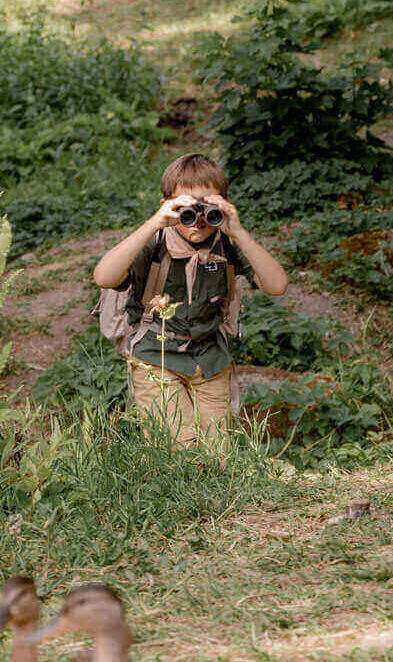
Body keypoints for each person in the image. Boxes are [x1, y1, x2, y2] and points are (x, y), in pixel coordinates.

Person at [91, 152, 289, 445]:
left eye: (207, 208)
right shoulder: (155, 245)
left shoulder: (226, 246)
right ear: (167, 205)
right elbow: (104, 277)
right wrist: (156, 222)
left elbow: (277, 285)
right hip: (155, 357)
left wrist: (238, 231)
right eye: (187, 209)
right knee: (179, 447)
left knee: (217, 452)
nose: (197, 221)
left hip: (209, 358)